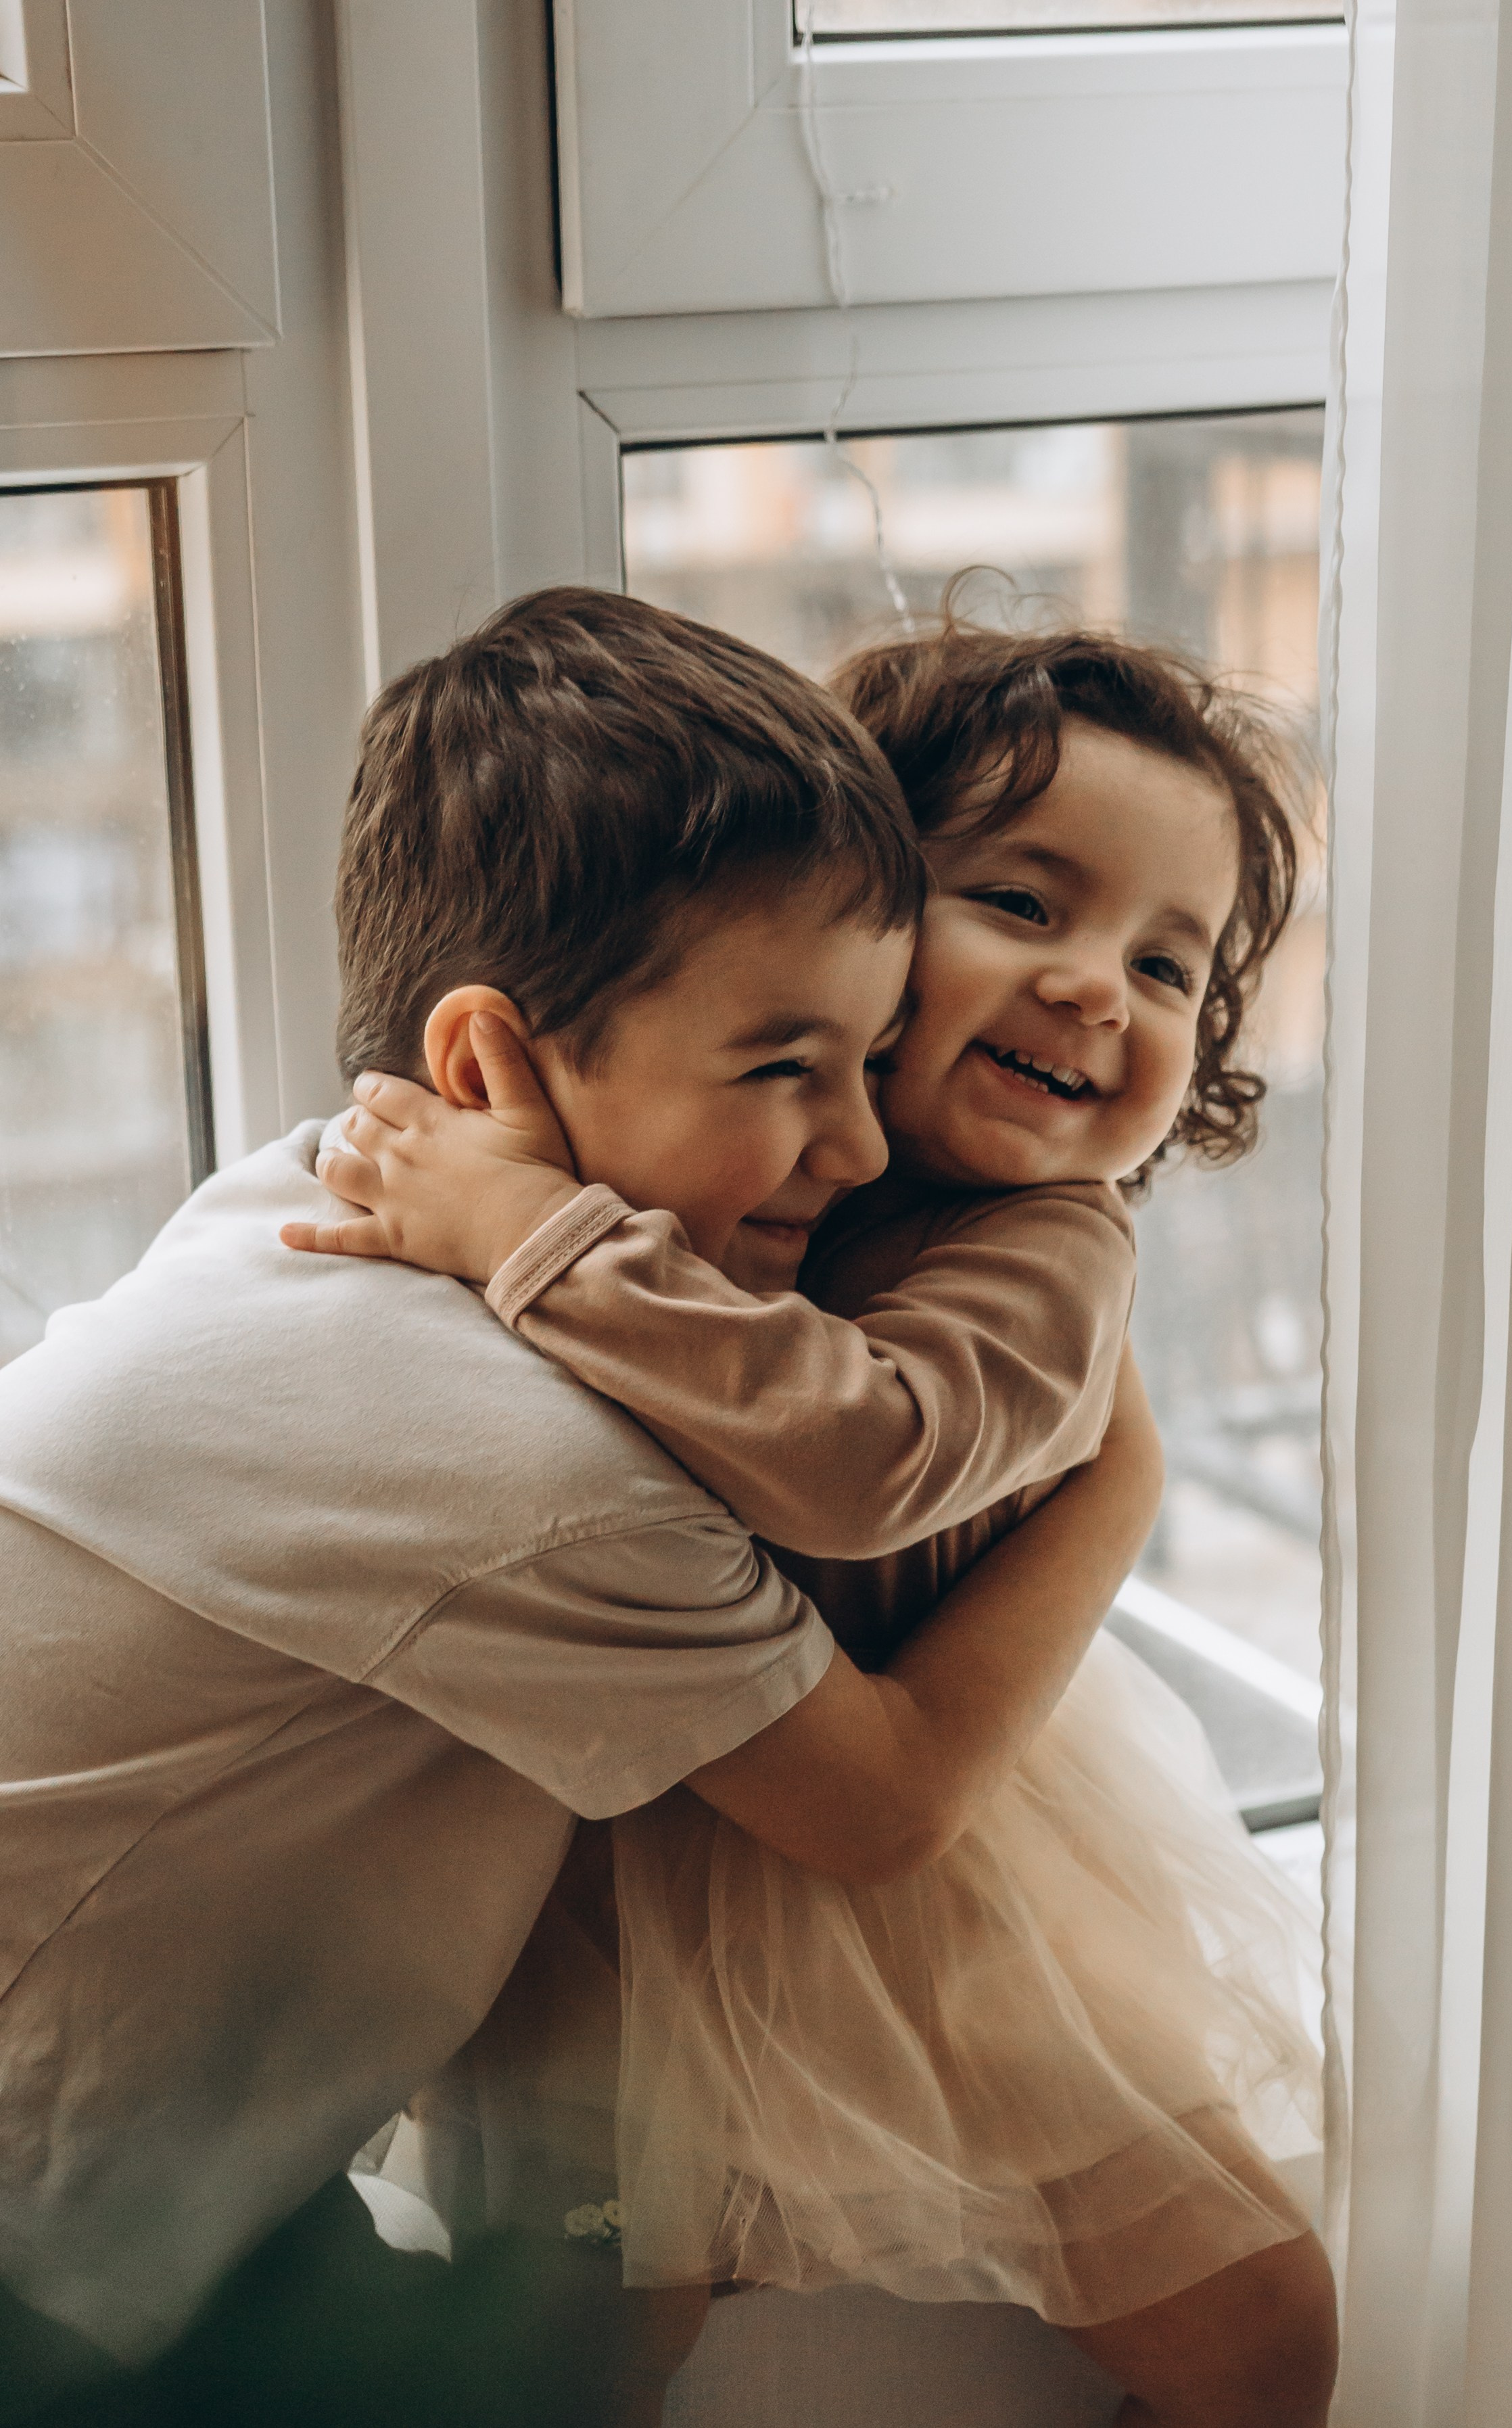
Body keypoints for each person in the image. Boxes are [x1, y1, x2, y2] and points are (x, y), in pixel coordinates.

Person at [0, 592, 1164, 2426]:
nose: (859, 1151)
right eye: (785, 1068)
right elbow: (882, 1803)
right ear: (484, 1073)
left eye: (872, 1062)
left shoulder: (299, 1203)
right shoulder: (510, 1455)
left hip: (154, 2153)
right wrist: (1116, 1469)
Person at [298, 613, 1337, 2428]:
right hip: (600, 1876)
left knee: (1254, 2325)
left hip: (946, 1896)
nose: (1104, 985)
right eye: (1025, 903)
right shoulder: (697, 1145)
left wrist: (528, 1234)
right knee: (580, 2330)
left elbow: (862, 1453)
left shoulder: (1046, 1245)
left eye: (1170, 965)